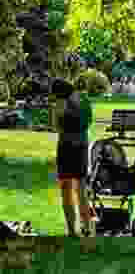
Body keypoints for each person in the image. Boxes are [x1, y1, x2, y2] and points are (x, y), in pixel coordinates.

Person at [51, 78, 96, 237]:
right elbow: (89, 121)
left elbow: (55, 126)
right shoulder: (84, 99)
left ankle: (71, 230)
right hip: (82, 146)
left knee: (66, 189)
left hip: (66, 147)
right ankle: (87, 228)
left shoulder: (60, 103)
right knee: (81, 190)